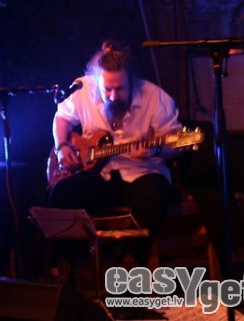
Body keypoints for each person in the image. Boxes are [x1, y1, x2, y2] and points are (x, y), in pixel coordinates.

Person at [48, 40, 182, 280]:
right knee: (61, 193)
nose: (112, 96)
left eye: (120, 89)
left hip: (141, 172)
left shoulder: (155, 97)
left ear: (131, 80)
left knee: (156, 194)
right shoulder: (82, 90)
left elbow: (178, 144)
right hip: (98, 174)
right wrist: (61, 147)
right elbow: (62, 117)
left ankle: (128, 266)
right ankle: (65, 270)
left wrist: (156, 150)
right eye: (107, 89)